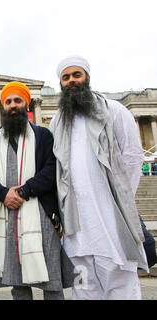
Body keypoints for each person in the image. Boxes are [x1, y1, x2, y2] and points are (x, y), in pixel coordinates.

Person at [49, 55, 148, 300]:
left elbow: (134, 156)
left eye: (76, 75)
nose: (71, 81)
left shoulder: (114, 110)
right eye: (66, 77)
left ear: (87, 78)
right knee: (84, 288)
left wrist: (123, 199)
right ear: (61, 83)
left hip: (111, 217)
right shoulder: (57, 121)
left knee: (121, 285)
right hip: (77, 223)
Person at [0, 81, 74, 300]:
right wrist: (3, 194)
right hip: (6, 215)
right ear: (2, 106)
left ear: (27, 104)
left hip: (40, 214)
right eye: (8, 101)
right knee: (18, 284)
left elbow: (52, 169)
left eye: (18, 100)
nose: (13, 105)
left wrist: (23, 191)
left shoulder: (43, 135)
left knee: (52, 281)